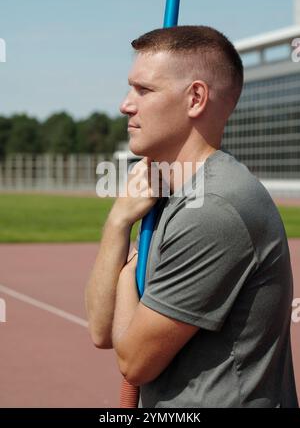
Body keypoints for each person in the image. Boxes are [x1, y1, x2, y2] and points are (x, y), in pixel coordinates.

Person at [85, 26, 298, 408]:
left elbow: (133, 361)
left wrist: (123, 273)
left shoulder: (216, 207)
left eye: (143, 90)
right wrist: (119, 221)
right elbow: (102, 330)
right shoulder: (169, 194)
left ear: (196, 98)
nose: (125, 104)